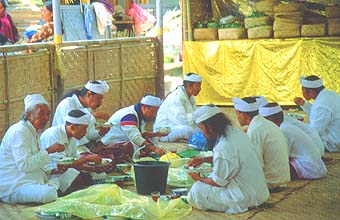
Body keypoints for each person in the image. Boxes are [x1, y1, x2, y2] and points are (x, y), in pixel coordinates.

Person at [187, 105, 269, 214]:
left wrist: (197, 178)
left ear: (210, 127)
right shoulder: (236, 133)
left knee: (197, 190)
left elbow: (219, 182)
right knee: (208, 178)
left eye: (202, 128)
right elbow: (231, 158)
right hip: (259, 193)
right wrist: (203, 160)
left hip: (245, 198)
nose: (202, 133)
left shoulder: (224, 146)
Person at [0, 94, 74, 204]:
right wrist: (49, 150)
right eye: (41, 113)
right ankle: (53, 190)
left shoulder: (34, 131)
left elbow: (37, 162)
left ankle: (53, 188)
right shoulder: (19, 131)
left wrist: (54, 170)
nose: (46, 118)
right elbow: (25, 165)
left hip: (31, 179)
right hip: (15, 185)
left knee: (71, 173)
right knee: (49, 194)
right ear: (29, 115)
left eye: (48, 114)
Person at [41, 109, 113, 191]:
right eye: (83, 129)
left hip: (65, 170)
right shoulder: (54, 135)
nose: (85, 133)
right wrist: (87, 159)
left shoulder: (72, 138)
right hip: (50, 174)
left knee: (100, 175)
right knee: (75, 175)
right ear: (73, 127)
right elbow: (60, 165)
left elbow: (74, 162)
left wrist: (93, 169)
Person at [233, 97, 290, 189]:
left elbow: (255, 164)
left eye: (237, 114)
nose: (237, 117)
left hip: (271, 181)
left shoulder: (255, 130)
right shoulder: (263, 123)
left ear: (243, 114)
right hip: (279, 179)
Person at [259, 103, 327, 179]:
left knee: (269, 171)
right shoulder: (285, 126)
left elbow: (281, 157)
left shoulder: (283, 130)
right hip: (313, 165)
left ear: (269, 119)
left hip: (309, 168)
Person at [52, 80, 111, 154]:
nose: (100, 103)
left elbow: (87, 134)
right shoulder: (67, 104)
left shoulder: (87, 108)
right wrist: (94, 116)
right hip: (63, 147)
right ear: (89, 94)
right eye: (98, 98)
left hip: (78, 145)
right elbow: (75, 134)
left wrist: (100, 133)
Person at [101, 95, 166, 156]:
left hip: (122, 142)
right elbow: (135, 137)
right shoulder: (129, 115)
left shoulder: (138, 116)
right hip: (110, 145)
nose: (154, 115)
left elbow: (137, 134)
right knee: (134, 146)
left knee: (146, 142)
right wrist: (154, 149)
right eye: (153, 111)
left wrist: (154, 134)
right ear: (144, 108)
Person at [294, 75, 340, 152]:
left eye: (302, 89)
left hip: (333, 143)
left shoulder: (320, 104)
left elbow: (314, 132)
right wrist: (304, 104)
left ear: (310, 92)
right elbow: (321, 115)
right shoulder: (330, 94)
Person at [153, 73, 202, 142]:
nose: (200, 89)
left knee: (203, 129)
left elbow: (194, 116)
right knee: (188, 131)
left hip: (177, 126)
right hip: (164, 131)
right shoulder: (176, 97)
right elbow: (181, 121)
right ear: (188, 86)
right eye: (198, 86)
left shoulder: (191, 97)